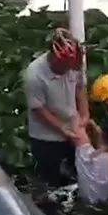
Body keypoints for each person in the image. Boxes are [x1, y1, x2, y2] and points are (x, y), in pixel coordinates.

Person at [24, 28, 89, 187]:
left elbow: (80, 88)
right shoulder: (34, 75)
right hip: (45, 135)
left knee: (80, 172)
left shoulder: (74, 64)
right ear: (54, 58)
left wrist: (84, 115)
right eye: (64, 67)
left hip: (72, 124)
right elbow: (39, 110)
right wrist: (63, 129)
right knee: (51, 181)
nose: (68, 71)